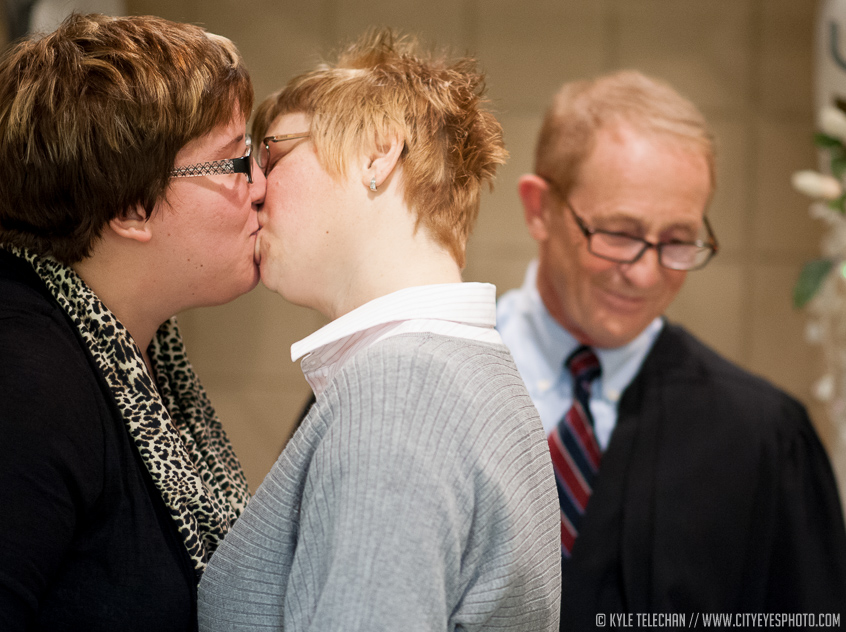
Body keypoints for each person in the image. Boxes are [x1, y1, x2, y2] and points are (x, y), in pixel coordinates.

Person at [0, 13, 263, 630]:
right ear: (130, 207)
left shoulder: (130, 345)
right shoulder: (8, 379)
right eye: (235, 162)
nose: (259, 187)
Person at [197, 31, 560, 631]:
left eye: (273, 154)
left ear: (377, 154)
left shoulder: (401, 395)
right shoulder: (467, 372)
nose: (254, 187)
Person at [497, 70, 846, 626]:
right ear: (539, 208)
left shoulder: (762, 438)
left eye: (679, 241)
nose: (645, 273)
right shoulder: (412, 388)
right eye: (619, 232)